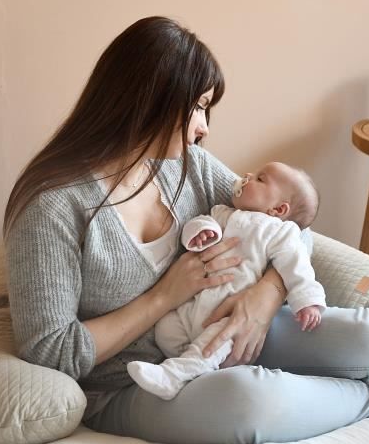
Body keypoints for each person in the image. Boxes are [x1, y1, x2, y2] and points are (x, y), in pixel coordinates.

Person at [4, 16, 369, 444]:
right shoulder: (52, 207)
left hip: (226, 331)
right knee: (250, 401)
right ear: (153, 99)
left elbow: (289, 225)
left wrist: (265, 297)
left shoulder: (189, 166)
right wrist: (164, 296)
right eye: (199, 107)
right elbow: (50, 350)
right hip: (133, 384)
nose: (204, 127)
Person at [127, 162, 327, 399]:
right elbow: (200, 223)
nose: (248, 175)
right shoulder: (223, 213)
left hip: (229, 314)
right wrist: (200, 232)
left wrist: (308, 301)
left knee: (219, 339)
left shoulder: (279, 232)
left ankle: (174, 375)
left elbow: (297, 266)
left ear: (278, 209)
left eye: (260, 179)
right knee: (165, 330)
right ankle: (194, 368)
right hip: (194, 305)